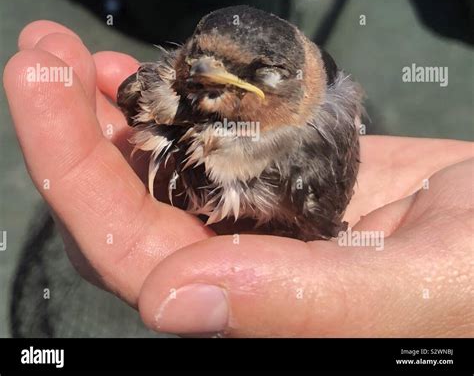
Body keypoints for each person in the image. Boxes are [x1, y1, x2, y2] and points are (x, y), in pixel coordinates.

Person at [3, 20, 473, 337]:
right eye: (198, 58)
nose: (203, 72)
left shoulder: (305, 149)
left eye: (258, 74)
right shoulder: (161, 90)